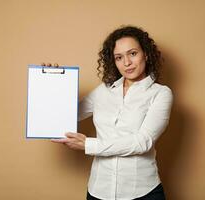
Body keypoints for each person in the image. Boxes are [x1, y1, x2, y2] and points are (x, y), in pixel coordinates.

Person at [50, 25, 173, 200]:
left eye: (132, 53)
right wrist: (52, 83)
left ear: (145, 53)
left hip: (142, 192)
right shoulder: (104, 90)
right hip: (99, 190)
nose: (127, 63)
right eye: (119, 57)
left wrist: (89, 145)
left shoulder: (161, 93)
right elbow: (68, 115)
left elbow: (142, 142)